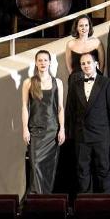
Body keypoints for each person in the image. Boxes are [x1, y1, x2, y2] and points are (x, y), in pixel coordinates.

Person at [68, 52, 110, 193]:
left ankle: (107, 200)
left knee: (103, 167)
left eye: (88, 62)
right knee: (82, 169)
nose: (86, 65)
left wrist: (103, 127)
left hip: (101, 134)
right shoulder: (75, 85)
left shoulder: (107, 83)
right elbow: (71, 110)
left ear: (96, 64)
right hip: (81, 135)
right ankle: (85, 200)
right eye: (83, 63)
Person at [22, 50, 66, 194]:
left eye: (45, 60)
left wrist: (62, 129)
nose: (43, 63)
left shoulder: (57, 82)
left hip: (52, 131)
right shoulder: (29, 82)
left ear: (49, 62)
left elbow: (60, 108)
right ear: (36, 62)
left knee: (49, 169)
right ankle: (38, 199)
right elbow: (25, 107)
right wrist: (25, 129)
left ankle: (46, 199)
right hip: (35, 130)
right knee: (35, 166)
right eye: (40, 60)